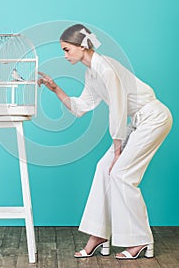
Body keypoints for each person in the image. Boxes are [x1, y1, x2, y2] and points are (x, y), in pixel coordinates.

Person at [37, 24, 173, 260]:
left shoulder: (106, 67)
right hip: (138, 122)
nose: (65, 55)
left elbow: (118, 108)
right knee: (103, 168)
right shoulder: (91, 72)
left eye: (67, 50)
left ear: (82, 46)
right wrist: (55, 88)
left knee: (121, 174)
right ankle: (99, 236)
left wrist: (118, 150)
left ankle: (141, 241)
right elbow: (80, 108)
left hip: (154, 118)